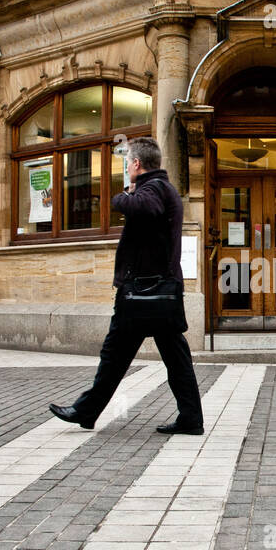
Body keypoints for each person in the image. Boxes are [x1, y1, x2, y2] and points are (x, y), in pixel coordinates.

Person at [49, 136, 203, 434]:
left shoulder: (154, 188)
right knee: (168, 358)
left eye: (127, 163)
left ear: (136, 164)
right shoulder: (161, 188)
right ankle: (189, 418)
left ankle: (86, 410)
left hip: (144, 293)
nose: (126, 169)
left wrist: (122, 195)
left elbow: (142, 207)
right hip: (155, 292)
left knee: (116, 356)